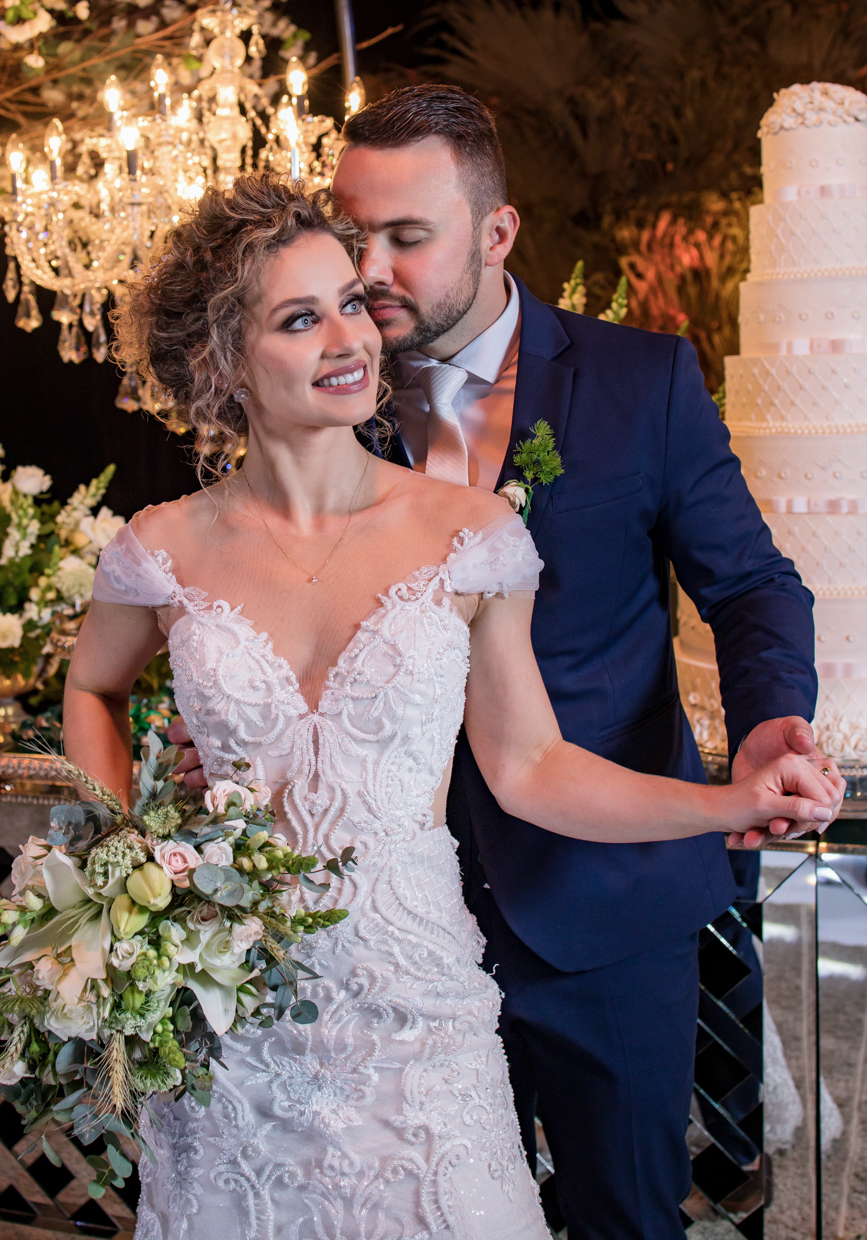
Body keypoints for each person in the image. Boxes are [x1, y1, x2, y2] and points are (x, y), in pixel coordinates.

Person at [63, 174, 841, 1240]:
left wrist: (729, 802)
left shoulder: (469, 534)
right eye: (300, 319)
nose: (351, 337)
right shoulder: (161, 547)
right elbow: (93, 686)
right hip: (233, 1010)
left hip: (421, 1017)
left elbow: (530, 767)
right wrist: (130, 862)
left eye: (349, 302)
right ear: (222, 363)